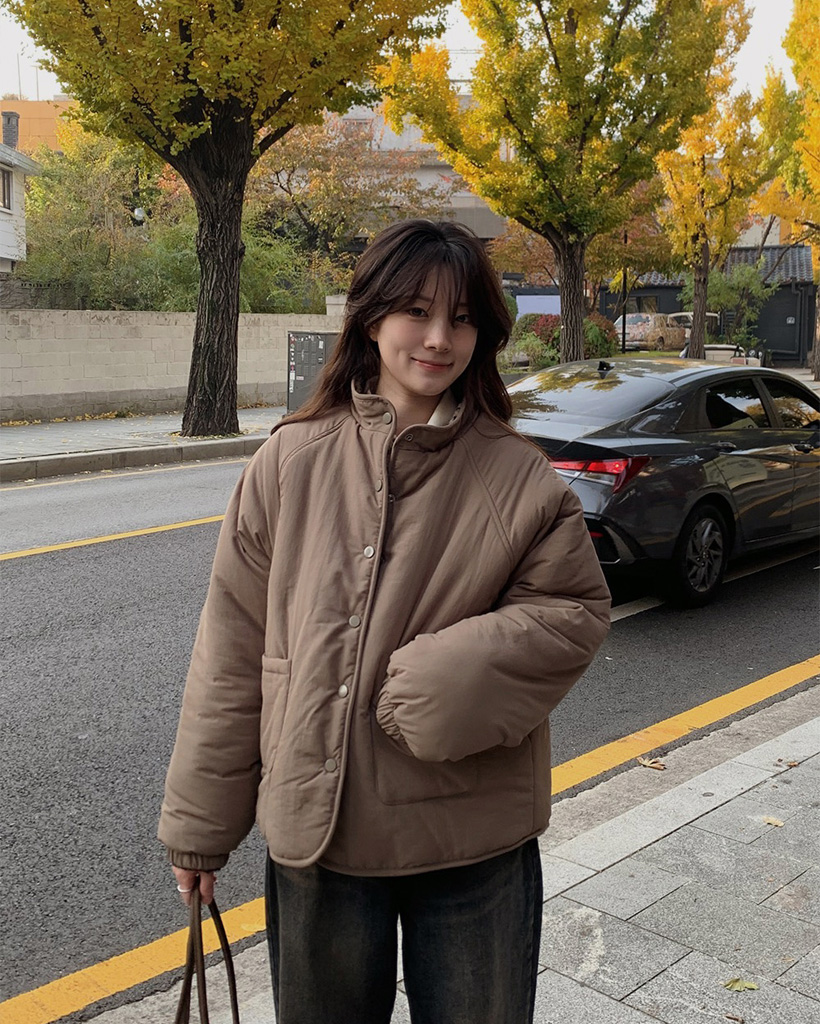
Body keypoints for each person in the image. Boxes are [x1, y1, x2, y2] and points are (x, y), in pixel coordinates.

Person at [159, 219, 611, 1024]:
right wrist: (200, 831)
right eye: (416, 311)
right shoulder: (288, 462)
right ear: (370, 317)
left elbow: (573, 613)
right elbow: (232, 653)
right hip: (321, 836)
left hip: (475, 840)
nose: (438, 339)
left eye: (462, 319)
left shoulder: (520, 478)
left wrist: (440, 681)